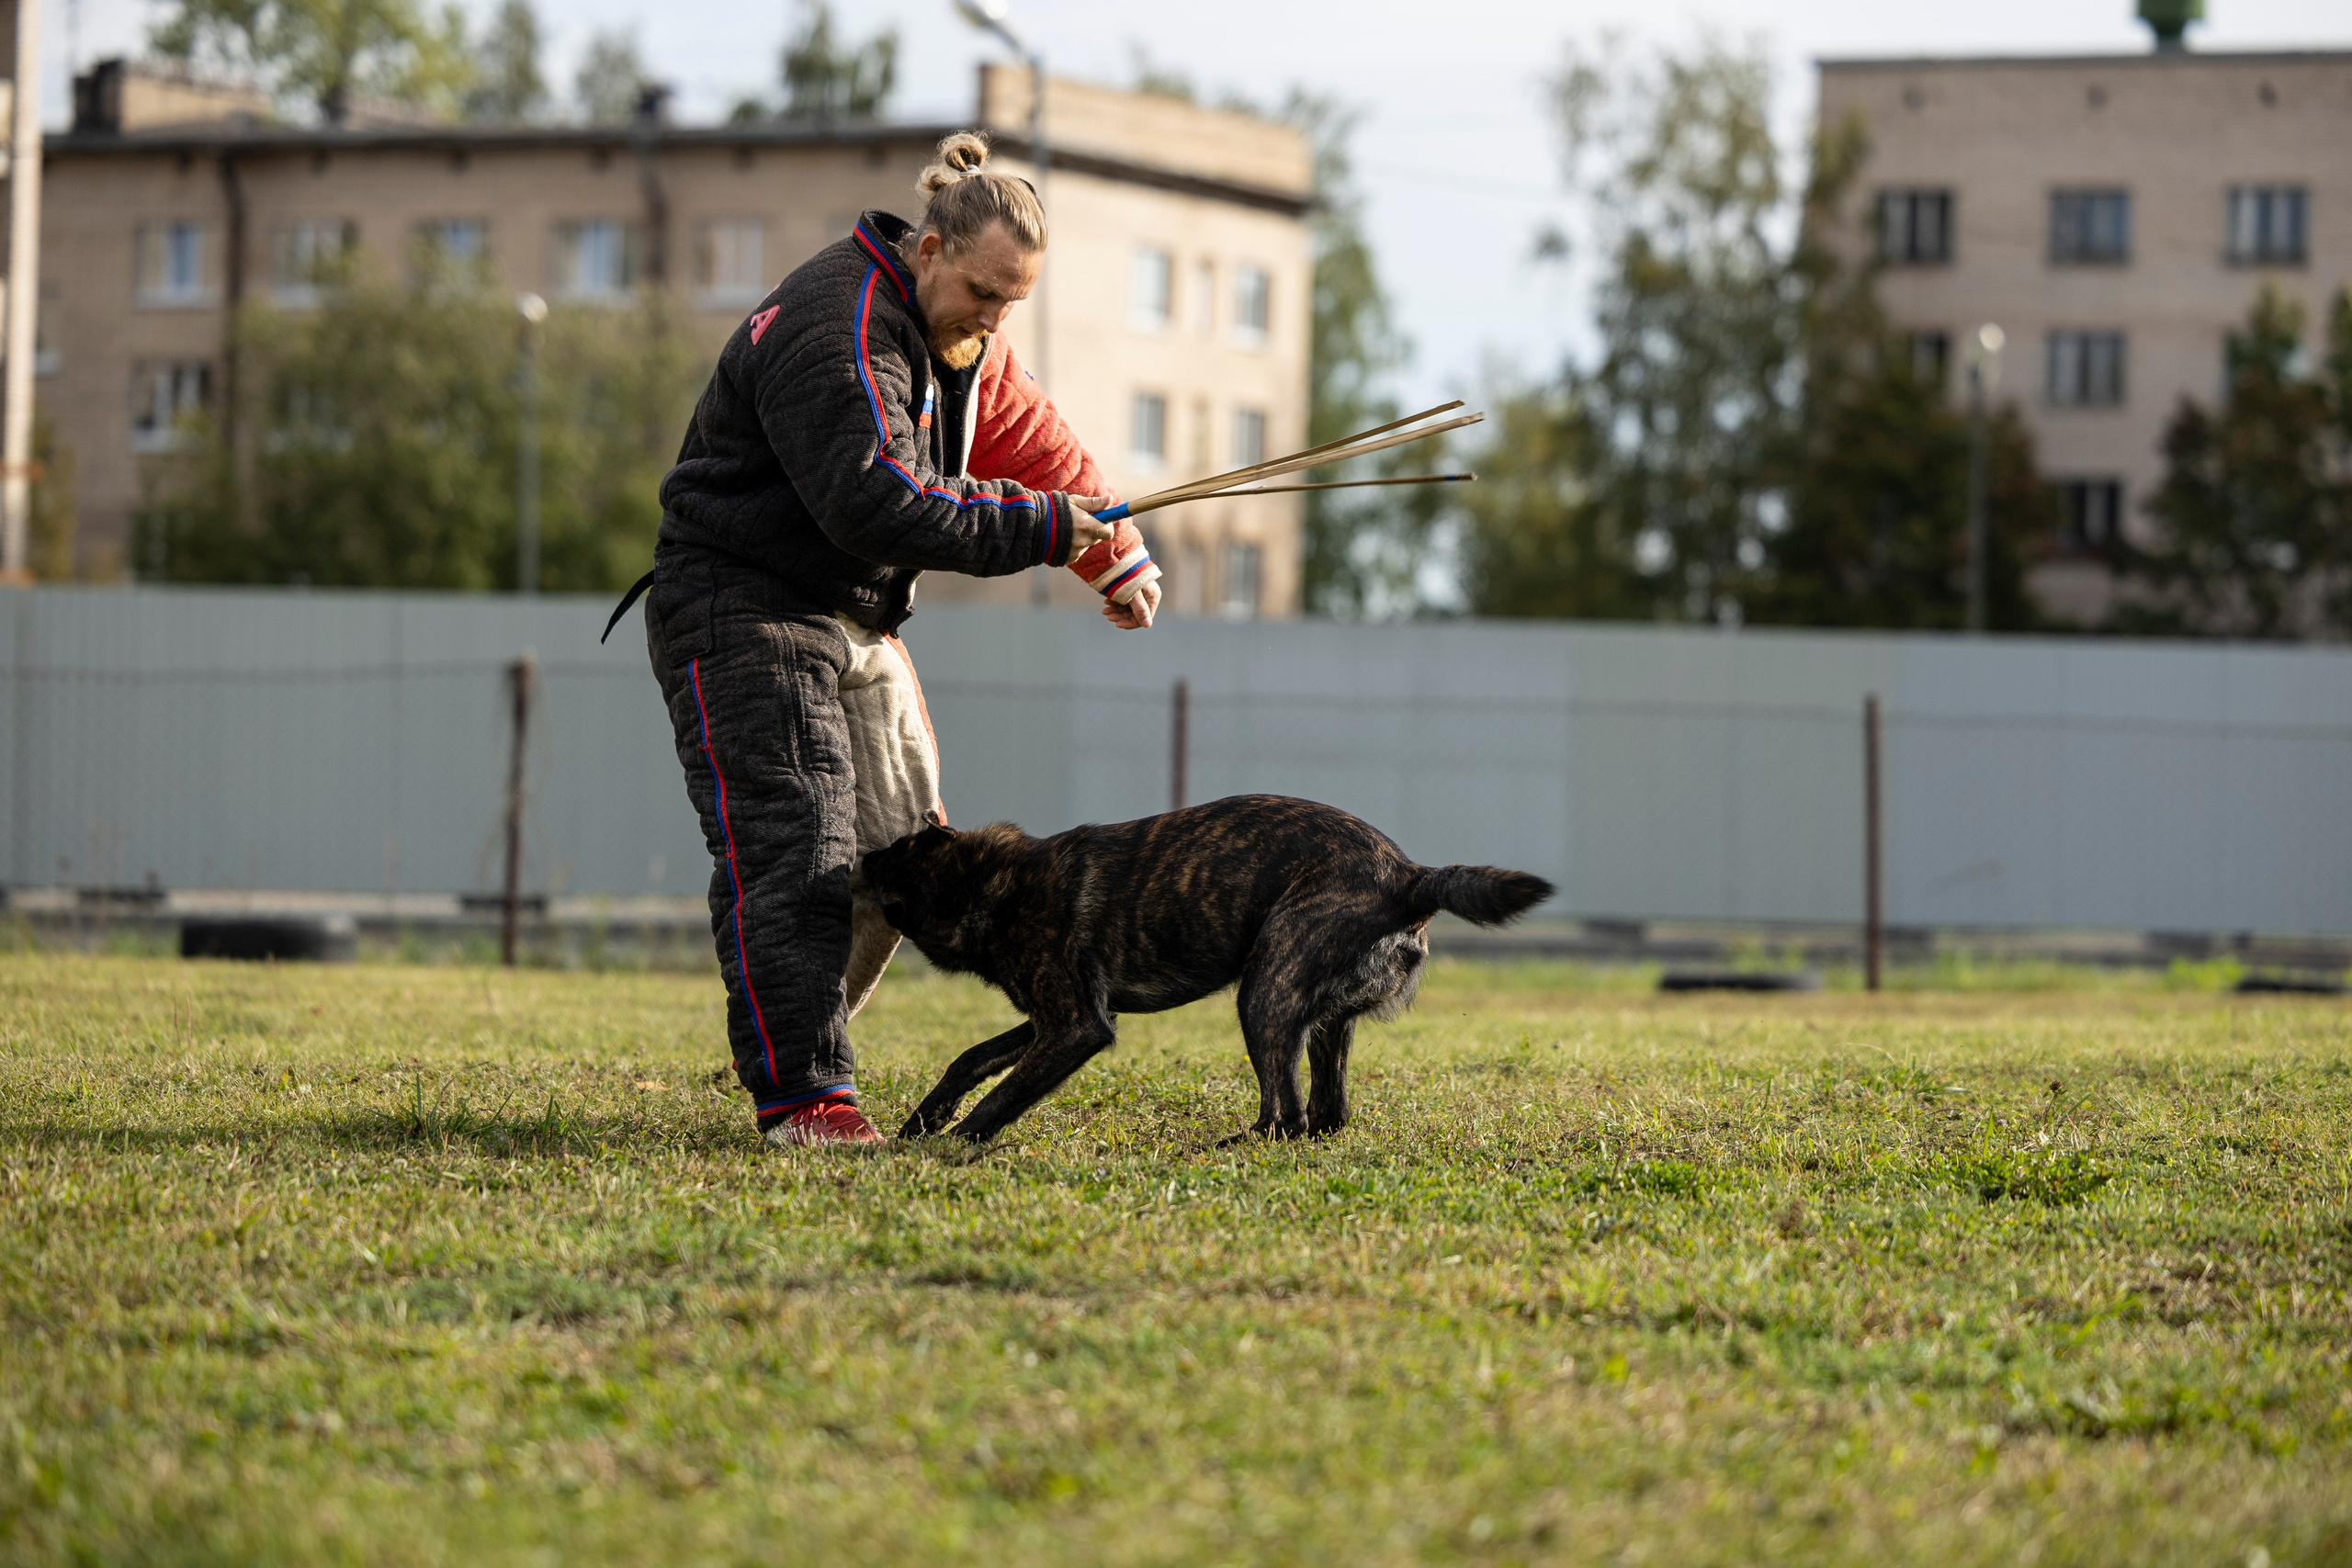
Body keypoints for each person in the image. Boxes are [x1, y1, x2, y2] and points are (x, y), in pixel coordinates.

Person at [638, 130, 1162, 1146]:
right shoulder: (837, 325)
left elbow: (1030, 437)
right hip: (741, 600)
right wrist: (1048, 531)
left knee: (905, 861)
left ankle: (791, 1042)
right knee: (796, 843)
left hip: (850, 610)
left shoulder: (961, 335)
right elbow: (878, 501)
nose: (995, 319)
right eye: (982, 293)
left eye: (1014, 302)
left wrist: (1115, 554)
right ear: (927, 251)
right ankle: (803, 1097)